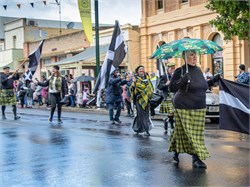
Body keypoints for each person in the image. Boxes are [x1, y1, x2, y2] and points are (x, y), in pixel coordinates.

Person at [168, 50, 220, 169]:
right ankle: (196, 159)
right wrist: (183, 80)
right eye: (191, 54)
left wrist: (214, 80)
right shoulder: (180, 71)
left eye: (195, 54)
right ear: (185, 57)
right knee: (192, 134)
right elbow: (171, 88)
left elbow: (203, 86)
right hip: (183, 106)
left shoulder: (198, 70)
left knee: (181, 131)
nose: (195, 56)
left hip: (199, 106)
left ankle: (176, 151)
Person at [130, 65, 154, 136]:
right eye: (140, 69)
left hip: (147, 99)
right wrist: (134, 84)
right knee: (141, 115)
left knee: (146, 115)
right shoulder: (136, 79)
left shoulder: (147, 78)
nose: (141, 70)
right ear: (137, 71)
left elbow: (150, 87)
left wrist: (149, 92)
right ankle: (146, 130)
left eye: (142, 69)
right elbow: (132, 89)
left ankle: (137, 128)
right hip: (139, 100)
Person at [157, 61, 176, 131]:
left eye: (174, 68)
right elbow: (159, 86)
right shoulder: (164, 76)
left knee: (174, 112)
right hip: (168, 96)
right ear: (168, 69)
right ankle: (171, 126)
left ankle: (166, 120)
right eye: (171, 68)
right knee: (171, 112)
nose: (173, 70)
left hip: (175, 96)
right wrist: (166, 84)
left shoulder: (175, 76)